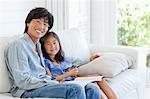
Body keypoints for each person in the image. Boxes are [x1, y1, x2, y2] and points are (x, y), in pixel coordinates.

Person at [5, 7, 101, 99]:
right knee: (75, 90)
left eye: (45, 24)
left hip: (44, 84)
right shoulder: (19, 45)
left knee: (92, 88)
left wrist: (89, 59)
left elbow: (66, 61)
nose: (41, 26)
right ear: (28, 23)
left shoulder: (38, 45)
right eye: (38, 21)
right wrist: (51, 82)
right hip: (27, 90)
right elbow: (22, 81)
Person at [40, 31, 117, 99]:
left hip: (75, 78)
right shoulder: (46, 62)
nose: (52, 46)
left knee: (98, 78)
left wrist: (90, 59)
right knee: (93, 84)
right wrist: (68, 74)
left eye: (54, 43)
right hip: (67, 83)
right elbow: (50, 80)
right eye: (48, 44)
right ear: (43, 47)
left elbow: (78, 64)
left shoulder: (63, 59)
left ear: (59, 44)